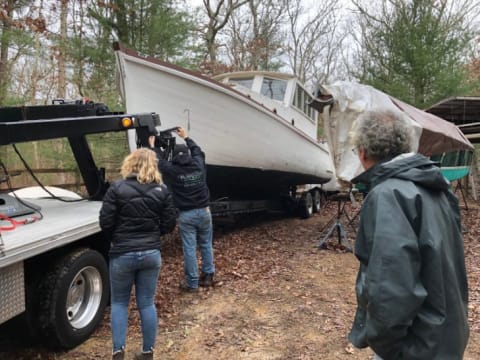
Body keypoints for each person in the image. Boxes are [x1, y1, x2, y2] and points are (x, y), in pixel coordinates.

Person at [348, 109, 469, 359]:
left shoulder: (388, 195)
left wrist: (386, 346)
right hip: (447, 335)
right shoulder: (438, 188)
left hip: (416, 346)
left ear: (363, 152)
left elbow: (391, 287)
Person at [99, 148, 177, 360]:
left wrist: (118, 237)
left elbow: (105, 222)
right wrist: (154, 235)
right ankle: (147, 352)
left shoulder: (116, 188)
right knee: (146, 303)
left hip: (122, 253)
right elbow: (170, 223)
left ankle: (117, 352)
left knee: (119, 303)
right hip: (151, 253)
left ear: (130, 164)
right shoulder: (162, 190)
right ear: (153, 165)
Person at [149, 126, 215, 292]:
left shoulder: (173, 171)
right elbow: (198, 151)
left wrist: (153, 147)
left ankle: (192, 283)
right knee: (206, 244)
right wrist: (186, 137)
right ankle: (208, 275)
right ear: (188, 156)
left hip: (187, 215)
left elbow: (159, 161)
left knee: (190, 249)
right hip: (205, 212)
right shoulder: (199, 166)